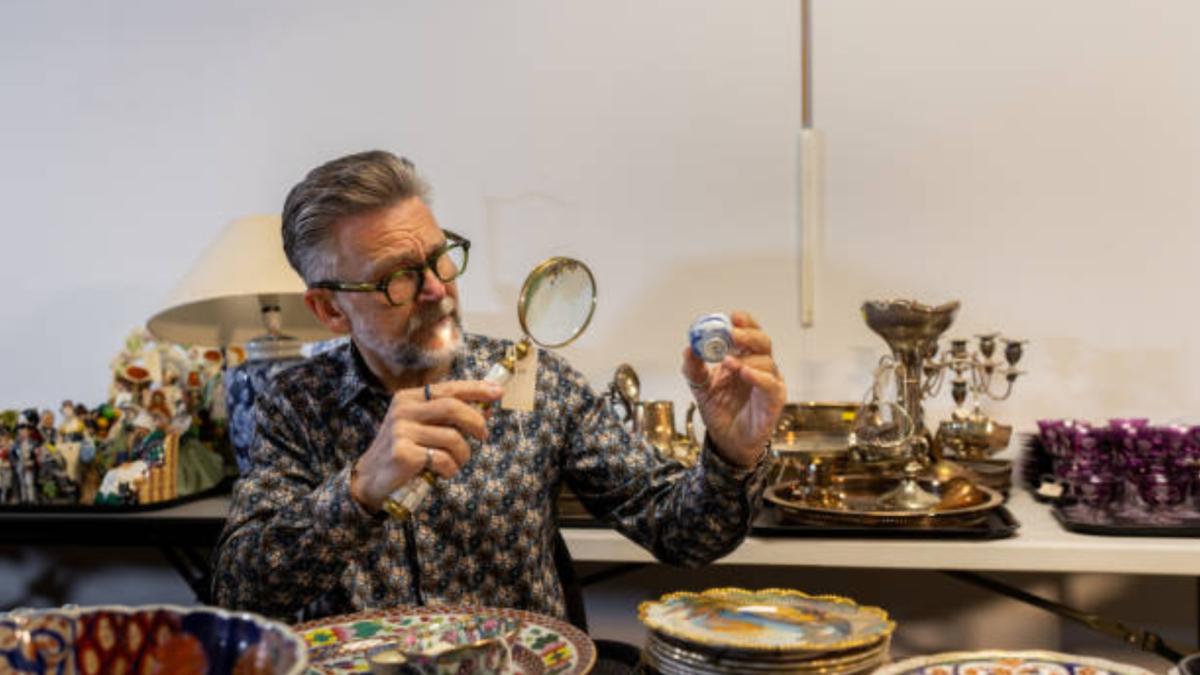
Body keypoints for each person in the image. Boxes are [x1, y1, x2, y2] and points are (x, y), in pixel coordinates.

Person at [212, 150, 787, 623]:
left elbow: (684, 535)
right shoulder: (295, 404)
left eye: (439, 258)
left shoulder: (539, 384)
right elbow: (240, 592)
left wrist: (734, 455)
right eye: (396, 277)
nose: (436, 289)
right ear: (330, 310)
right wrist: (360, 490)